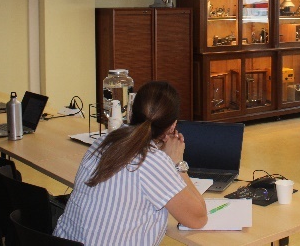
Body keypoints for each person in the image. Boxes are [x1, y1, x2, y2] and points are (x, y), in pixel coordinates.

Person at [54, 81, 207, 245]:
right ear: (173, 126)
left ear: (131, 111)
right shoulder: (152, 162)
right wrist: (177, 164)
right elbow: (198, 219)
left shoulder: (103, 141)